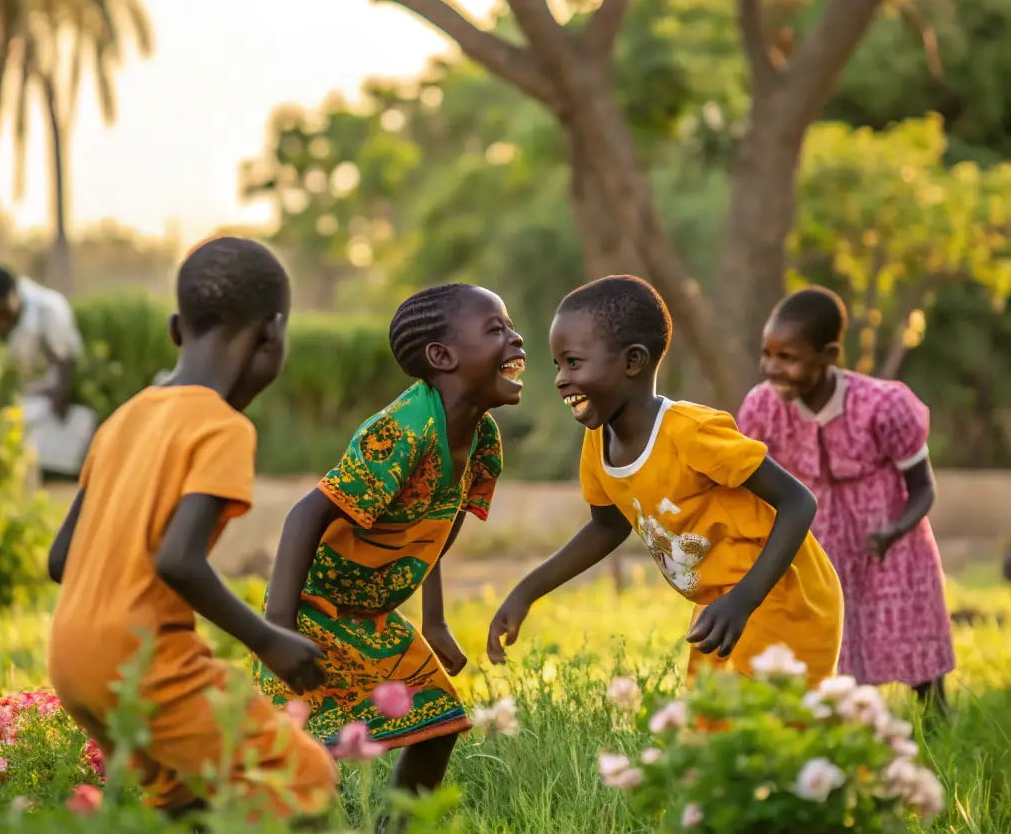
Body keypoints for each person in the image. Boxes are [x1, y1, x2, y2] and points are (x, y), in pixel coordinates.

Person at [46, 236, 336, 819]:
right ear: (272, 335)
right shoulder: (222, 428)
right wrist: (269, 639)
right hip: (140, 657)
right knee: (304, 778)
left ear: (178, 329)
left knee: (186, 802)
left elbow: (60, 560)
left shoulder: (122, 419)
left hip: (71, 658)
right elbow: (178, 560)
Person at [487, 275, 843, 688]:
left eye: (574, 362)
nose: (560, 379)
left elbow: (799, 502)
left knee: (764, 734)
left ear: (632, 362)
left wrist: (745, 599)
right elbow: (607, 526)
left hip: (781, 595)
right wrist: (527, 591)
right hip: (721, 604)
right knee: (711, 733)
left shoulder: (691, 432)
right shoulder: (598, 440)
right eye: (557, 365)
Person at [255, 283, 524, 800]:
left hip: (374, 616)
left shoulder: (484, 441)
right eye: (497, 330)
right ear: (442, 357)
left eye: (511, 328)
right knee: (297, 754)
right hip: (314, 609)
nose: (516, 340)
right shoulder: (405, 429)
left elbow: (431, 533)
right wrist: (278, 632)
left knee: (439, 725)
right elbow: (305, 515)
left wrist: (435, 620)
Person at [737, 287, 955, 713]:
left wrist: (895, 530)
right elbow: (749, 483)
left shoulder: (883, 406)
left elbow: (923, 486)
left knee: (914, 641)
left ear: (829, 354)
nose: (771, 368)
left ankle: (936, 723)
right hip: (817, 544)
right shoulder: (762, 408)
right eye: (767, 354)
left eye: (788, 358)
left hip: (892, 547)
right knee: (833, 646)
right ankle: (849, 727)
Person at [0, 265, 94, 476]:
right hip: (11, 400)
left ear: (14, 297)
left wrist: (59, 405)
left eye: (1, 312)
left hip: (47, 401)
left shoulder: (48, 308)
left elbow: (66, 361)